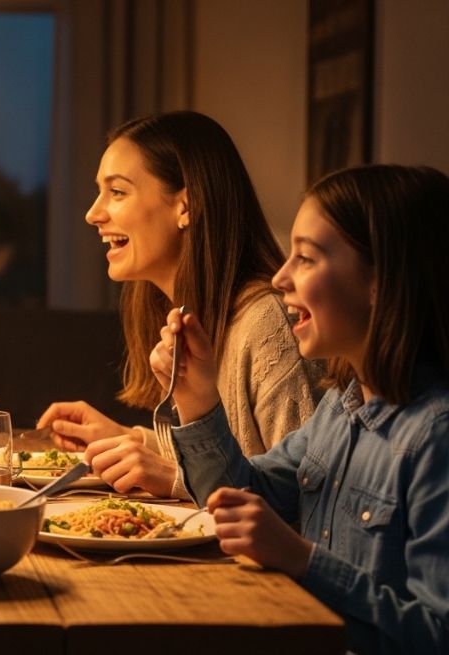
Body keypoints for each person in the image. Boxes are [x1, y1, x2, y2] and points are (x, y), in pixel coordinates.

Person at [156, 164, 449, 654]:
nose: (280, 277)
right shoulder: (339, 406)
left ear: (381, 280)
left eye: (306, 258)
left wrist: (303, 561)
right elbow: (243, 498)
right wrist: (197, 393)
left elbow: (436, 635)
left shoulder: (435, 437)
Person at [37, 111, 323, 497]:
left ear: (185, 207)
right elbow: (234, 456)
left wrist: (173, 477)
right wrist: (132, 440)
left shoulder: (268, 324)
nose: (93, 214)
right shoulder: (181, 309)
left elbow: (306, 497)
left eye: (117, 192)